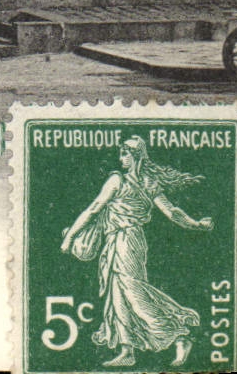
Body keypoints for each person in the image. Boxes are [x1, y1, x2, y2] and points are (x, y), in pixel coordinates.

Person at [60, 135, 212, 368]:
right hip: (119, 241)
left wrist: (70, 236)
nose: (121, 159)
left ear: (136, 156)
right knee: (118, 294)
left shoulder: (119, 180)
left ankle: (180, 334)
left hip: (127, 241)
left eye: (125, 154)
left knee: (133, 292)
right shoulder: (146, 182)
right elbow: (172, 212)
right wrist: (196, 224)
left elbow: (94, 209)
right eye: (121, 154)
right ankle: (127, 350)